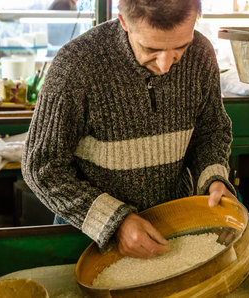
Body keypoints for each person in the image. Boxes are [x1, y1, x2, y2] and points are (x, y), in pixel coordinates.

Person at [22, 0, 237, 259]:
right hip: (89, 239)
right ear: (124, 21)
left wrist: (213, 178)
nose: (166, 65)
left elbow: (211, 130)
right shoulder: (76, 67)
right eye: (151, 48)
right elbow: (42, 168)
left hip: (176, 228)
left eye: (181, 47)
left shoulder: (201, 53)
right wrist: (115, 222)